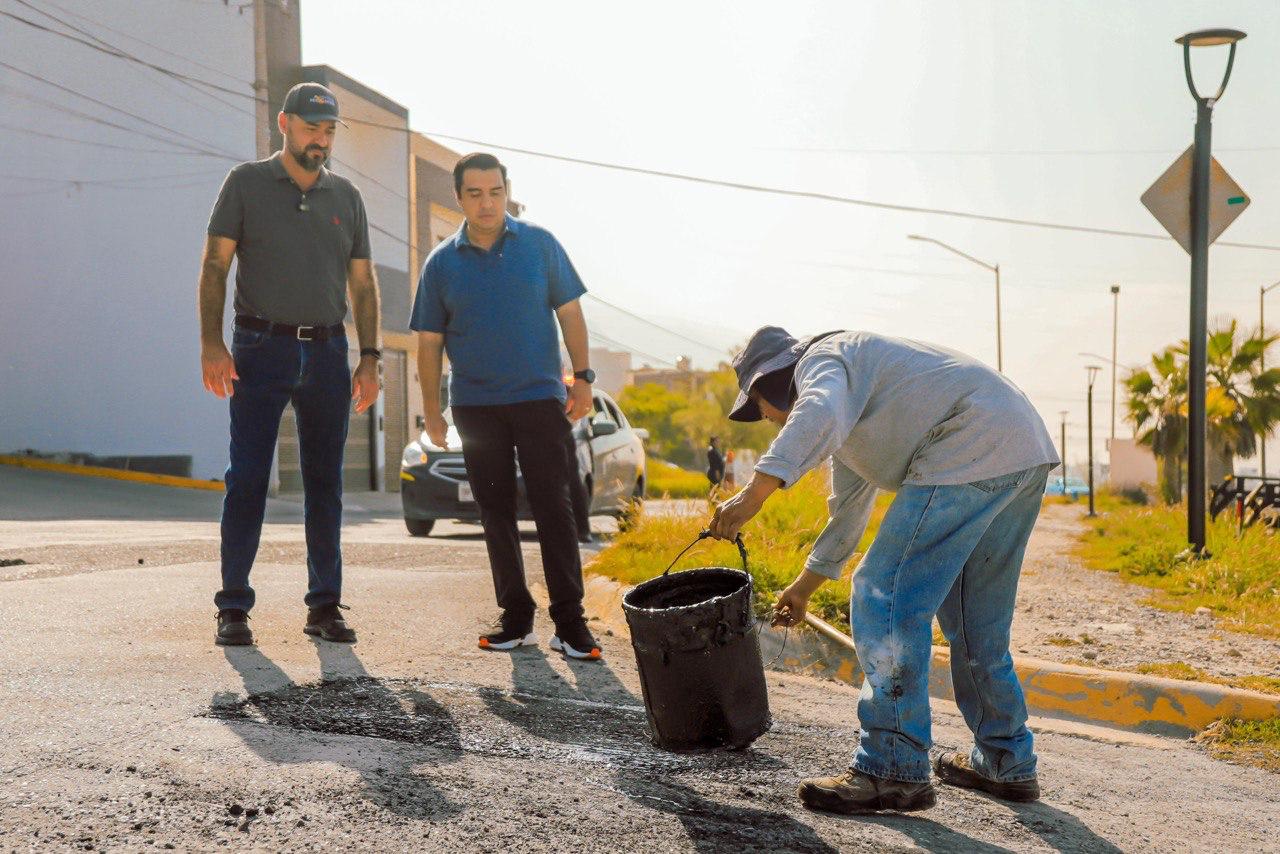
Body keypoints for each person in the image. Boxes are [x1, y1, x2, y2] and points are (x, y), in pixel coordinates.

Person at [709, 326, 1058, 814]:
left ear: (773, 379)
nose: (765, 419)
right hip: (1021, 448)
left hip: (969, 440)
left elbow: (816, 412)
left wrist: (753, 495)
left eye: (760, 407)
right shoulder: (857, 403)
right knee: (975, 622)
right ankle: (1005, 761)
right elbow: (848, 509)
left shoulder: (825, 361)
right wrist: (805, 586)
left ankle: (892, 767)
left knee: (883, 595)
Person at [199, 82, 381, 647]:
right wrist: (212, 344)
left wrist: (370, 357)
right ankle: (233, 607)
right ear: (284, 124)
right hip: (258, 348)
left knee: (324, 484)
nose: (320, 140)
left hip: (328, 351)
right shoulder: (246, 183)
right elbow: (214, 265)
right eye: (310, 128)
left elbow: (363, 284)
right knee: (248, 479)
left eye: (328, 131)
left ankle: (324, 607)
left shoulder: (346, 197)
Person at [411, 152, 602, 661]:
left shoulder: (539, 245)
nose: (486, 201)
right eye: (474, 193)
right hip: (475, 405)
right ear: (459, 199)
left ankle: (570, 623)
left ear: (506, 191)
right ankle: (516, 619)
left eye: (494, 191)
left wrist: (583, 379)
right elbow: (428, 343)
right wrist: (432, 410)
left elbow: (571, 312)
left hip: (540, 399)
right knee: (494, 513)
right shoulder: (441, 263)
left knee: (553, 509)